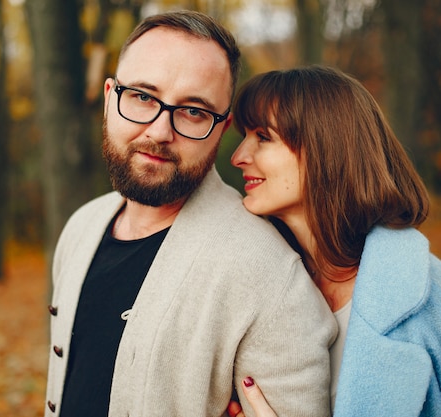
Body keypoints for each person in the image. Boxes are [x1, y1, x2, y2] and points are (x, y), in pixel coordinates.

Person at [44, 11, 337, 417]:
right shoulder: (82, 227)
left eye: (194, 111)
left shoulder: (267, 274)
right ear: (110, 98)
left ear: (222, 128)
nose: (160, 131)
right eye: (143, 97)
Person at [227, 66, 441, 416]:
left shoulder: (429, 297)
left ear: (325, 147)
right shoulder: (259, 285)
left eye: (263, 137)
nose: (238, 156)